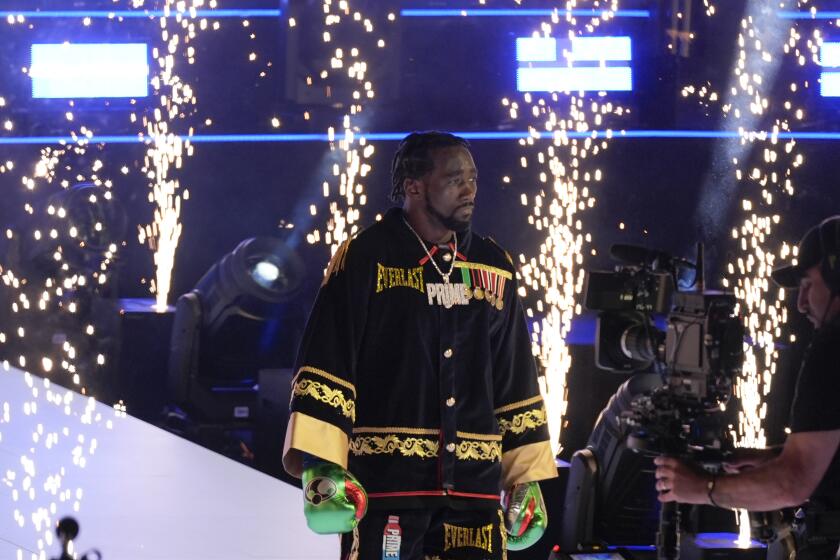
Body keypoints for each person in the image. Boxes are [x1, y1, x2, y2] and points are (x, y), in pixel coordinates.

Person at [282, 132, 558, 559]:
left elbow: (514, 375)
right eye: (453, 180)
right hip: (388, 487)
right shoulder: (366, 256)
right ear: (414, 186)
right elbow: (328, 358)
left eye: (472, 179)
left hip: (475, 493)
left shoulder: (495, 265)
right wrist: (322, 467)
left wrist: (524, 477)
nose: (469, 190)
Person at [654, 216, 840, 558]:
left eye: (808, 284)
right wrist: (767, 458)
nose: (800, 303)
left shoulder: (833, 348)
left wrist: (699, 488)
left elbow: (792, 483)